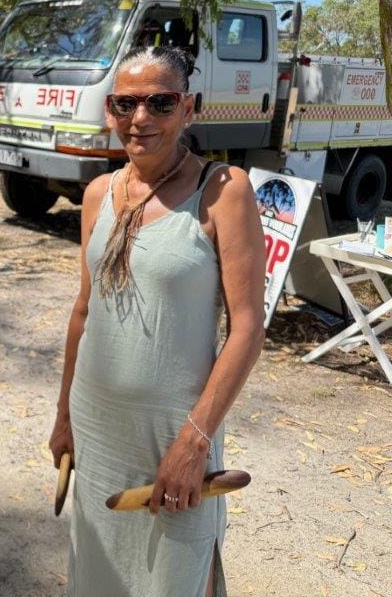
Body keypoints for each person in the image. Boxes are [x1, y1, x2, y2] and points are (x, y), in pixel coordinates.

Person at [48, 46, 265, 597]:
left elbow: (248, 329)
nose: (140, 118)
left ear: (187, 108)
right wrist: (64, 417)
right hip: (98, 433)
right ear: (109, 111)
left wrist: (194, 444)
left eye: (160, 102)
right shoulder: (98, 193)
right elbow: (83, 311)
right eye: (126, 103)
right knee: (99, 578)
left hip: (173, 438)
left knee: (175, 578)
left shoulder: (223, 192)